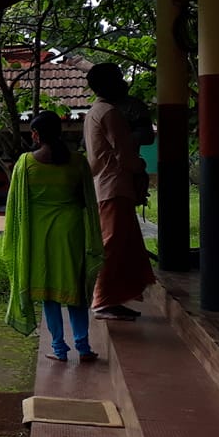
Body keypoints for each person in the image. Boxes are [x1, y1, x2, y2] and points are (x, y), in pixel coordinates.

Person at [4, 111, 104, 361]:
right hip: (71, 231)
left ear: (36, 135)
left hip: (38, 234)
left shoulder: (25, 164)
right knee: (75, 289)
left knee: (48, 290)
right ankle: (83, 347)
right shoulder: (78, 162)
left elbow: (16, 207)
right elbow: (86, 201)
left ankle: (59, 348)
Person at [83, 63, 157, 320]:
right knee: (113, 245)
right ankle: (102, 300)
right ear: (111, 84)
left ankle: (111, 299)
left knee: (122, 244)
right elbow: (125, 157)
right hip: (113, 187)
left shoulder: (95, 111)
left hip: (105, 186)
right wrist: (141, 166)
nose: (124, 83)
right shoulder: (110, 113)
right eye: (119, 79)